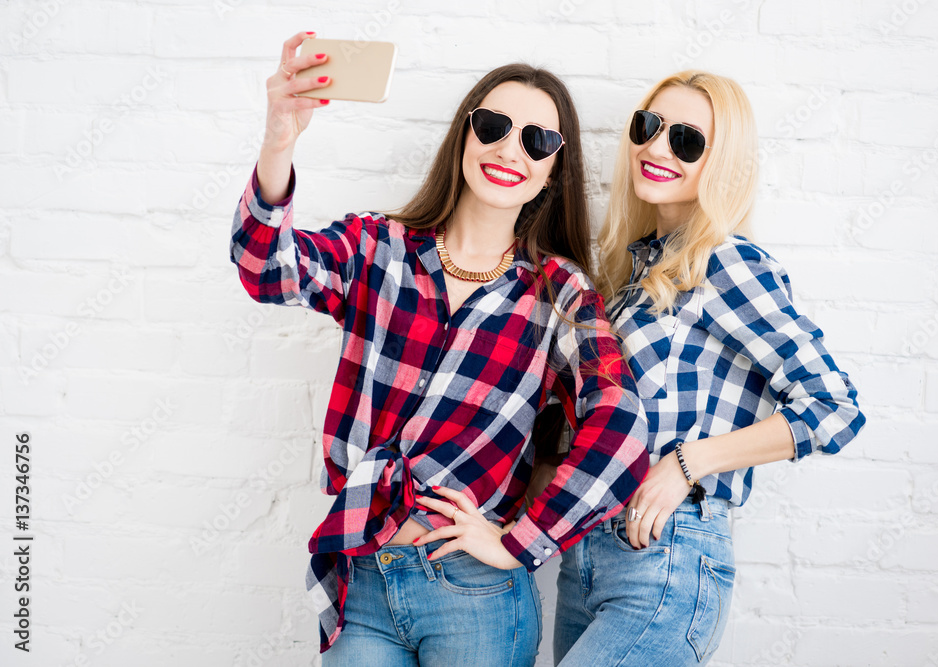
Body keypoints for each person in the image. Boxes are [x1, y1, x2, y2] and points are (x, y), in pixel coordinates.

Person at [228, 32, 649, 666]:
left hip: (474, 597)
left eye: (539, 140)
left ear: (553, 170)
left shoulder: (557, 292)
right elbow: (266, 266)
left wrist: (520, 544)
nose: (511, 149)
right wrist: (280, 137)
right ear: (465, 135)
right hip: (364, 581)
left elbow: (621, 423)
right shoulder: (379, 247)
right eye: (494, 125)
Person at [546, 70, 867, 666]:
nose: (656, 147)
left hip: (664, 561)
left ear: (722, 163)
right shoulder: (630, 277)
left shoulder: (727, 263)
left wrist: (685, 465)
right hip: (585, 559)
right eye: (649, 127)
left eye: (687, 141)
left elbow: (833, 409)